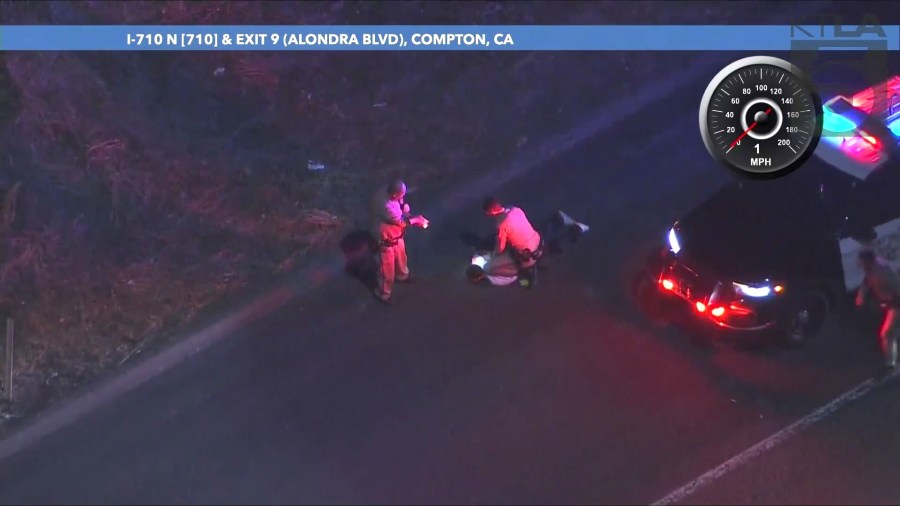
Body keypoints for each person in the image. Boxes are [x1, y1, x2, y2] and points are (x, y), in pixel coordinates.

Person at [370, 178, 427, 304]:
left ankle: (402, 276)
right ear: (394, 194)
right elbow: (401, 222)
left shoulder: (390, 190)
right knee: (387, 267)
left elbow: (400, 202)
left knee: (402, 257)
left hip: (396, 235)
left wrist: (403, 206)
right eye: (400, 196)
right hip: (386, 239)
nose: (402, 198)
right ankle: (383, 293)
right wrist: (415, 219)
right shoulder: (385, 205)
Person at [855, 249, 900, 369]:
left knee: (887, 334)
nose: (861, 265)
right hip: (887, 303)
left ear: (869, 261)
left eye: (862, 262)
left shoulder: (883, 271)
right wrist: (861, 297)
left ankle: (891, 363)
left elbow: (897, 288)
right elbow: (866, 282)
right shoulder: (870, 268)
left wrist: (893, 304)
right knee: (889, 332)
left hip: (895, 304)